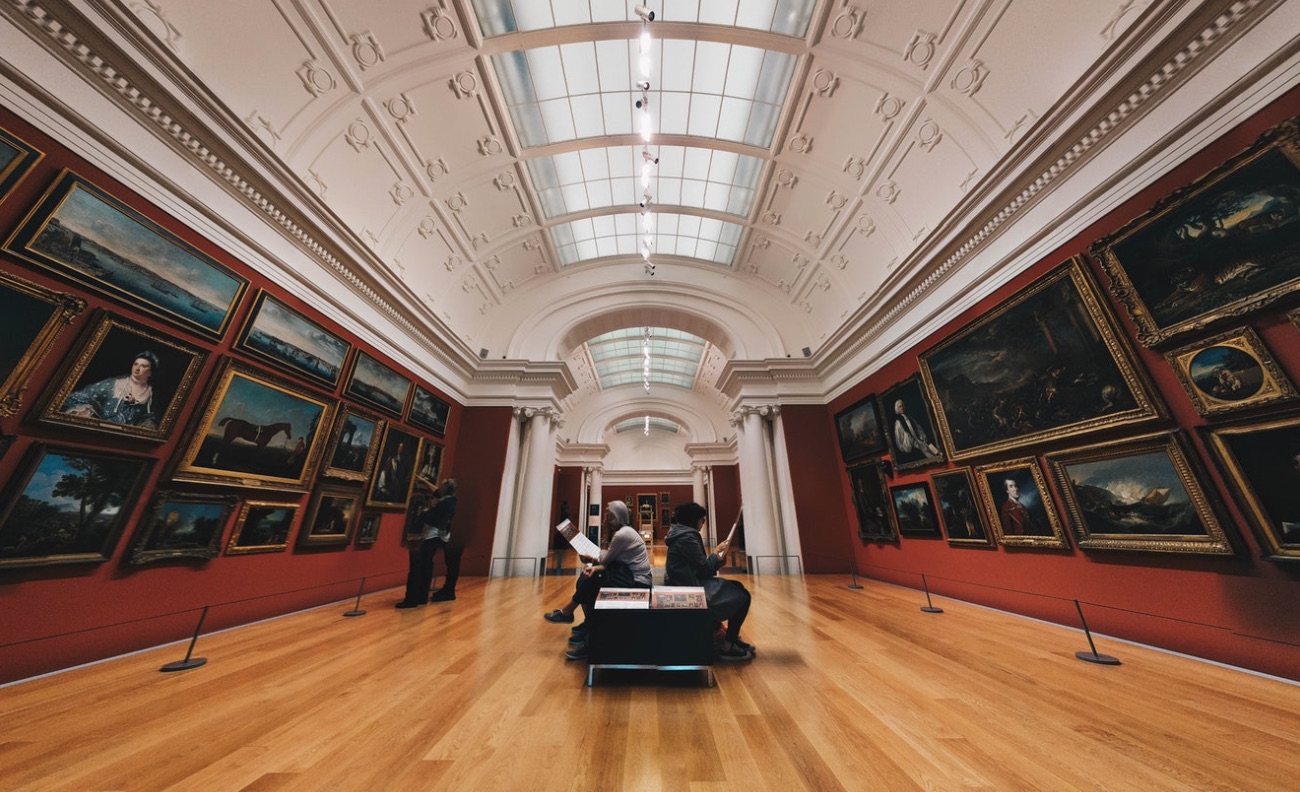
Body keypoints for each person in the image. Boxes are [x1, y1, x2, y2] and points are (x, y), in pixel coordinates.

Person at [542, 500, 651, 660]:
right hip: (625, 575)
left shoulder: (622, 534)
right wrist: (593, 559)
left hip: (637, 581)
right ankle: (585, 624)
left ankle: (574, 618)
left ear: (615, 516)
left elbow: (606, 560)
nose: (604, 517)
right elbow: (609, 560)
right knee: (585, 577)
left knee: (591, 577)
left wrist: (604, 536)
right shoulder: (624, 532)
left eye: (608, 514)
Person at [664, 502, 754, 661]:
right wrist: (717, 553)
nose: (703, 522)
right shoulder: (687, 538)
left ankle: (730, 639)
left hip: (690, 582)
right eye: (702, 519)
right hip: (691, 588)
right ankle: (728, 645)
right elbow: (704, 569)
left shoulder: (683, 534)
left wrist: (717, 557)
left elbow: (700, 568)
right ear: (694, 520)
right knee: (743, 596)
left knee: (738, 588)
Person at [395, 478, 459, 608]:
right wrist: (423, 481)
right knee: (426, 565)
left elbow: (432, 518)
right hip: (436, 536)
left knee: (419, 565)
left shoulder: (445, 503)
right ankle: (421, 596)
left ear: (445, 489)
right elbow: (436, 491)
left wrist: (425, 512)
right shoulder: (450, 500)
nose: (439, 487)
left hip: (430, 537)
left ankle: (413, 598)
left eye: (442, 485)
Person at [62, 350, 161, 428]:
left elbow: (149, 419)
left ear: (150, 372)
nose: (137, 368)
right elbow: (80, 397)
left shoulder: (151, 394)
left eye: (143, 366)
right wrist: (86, 411)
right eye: (136, 364)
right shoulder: (113, 383)